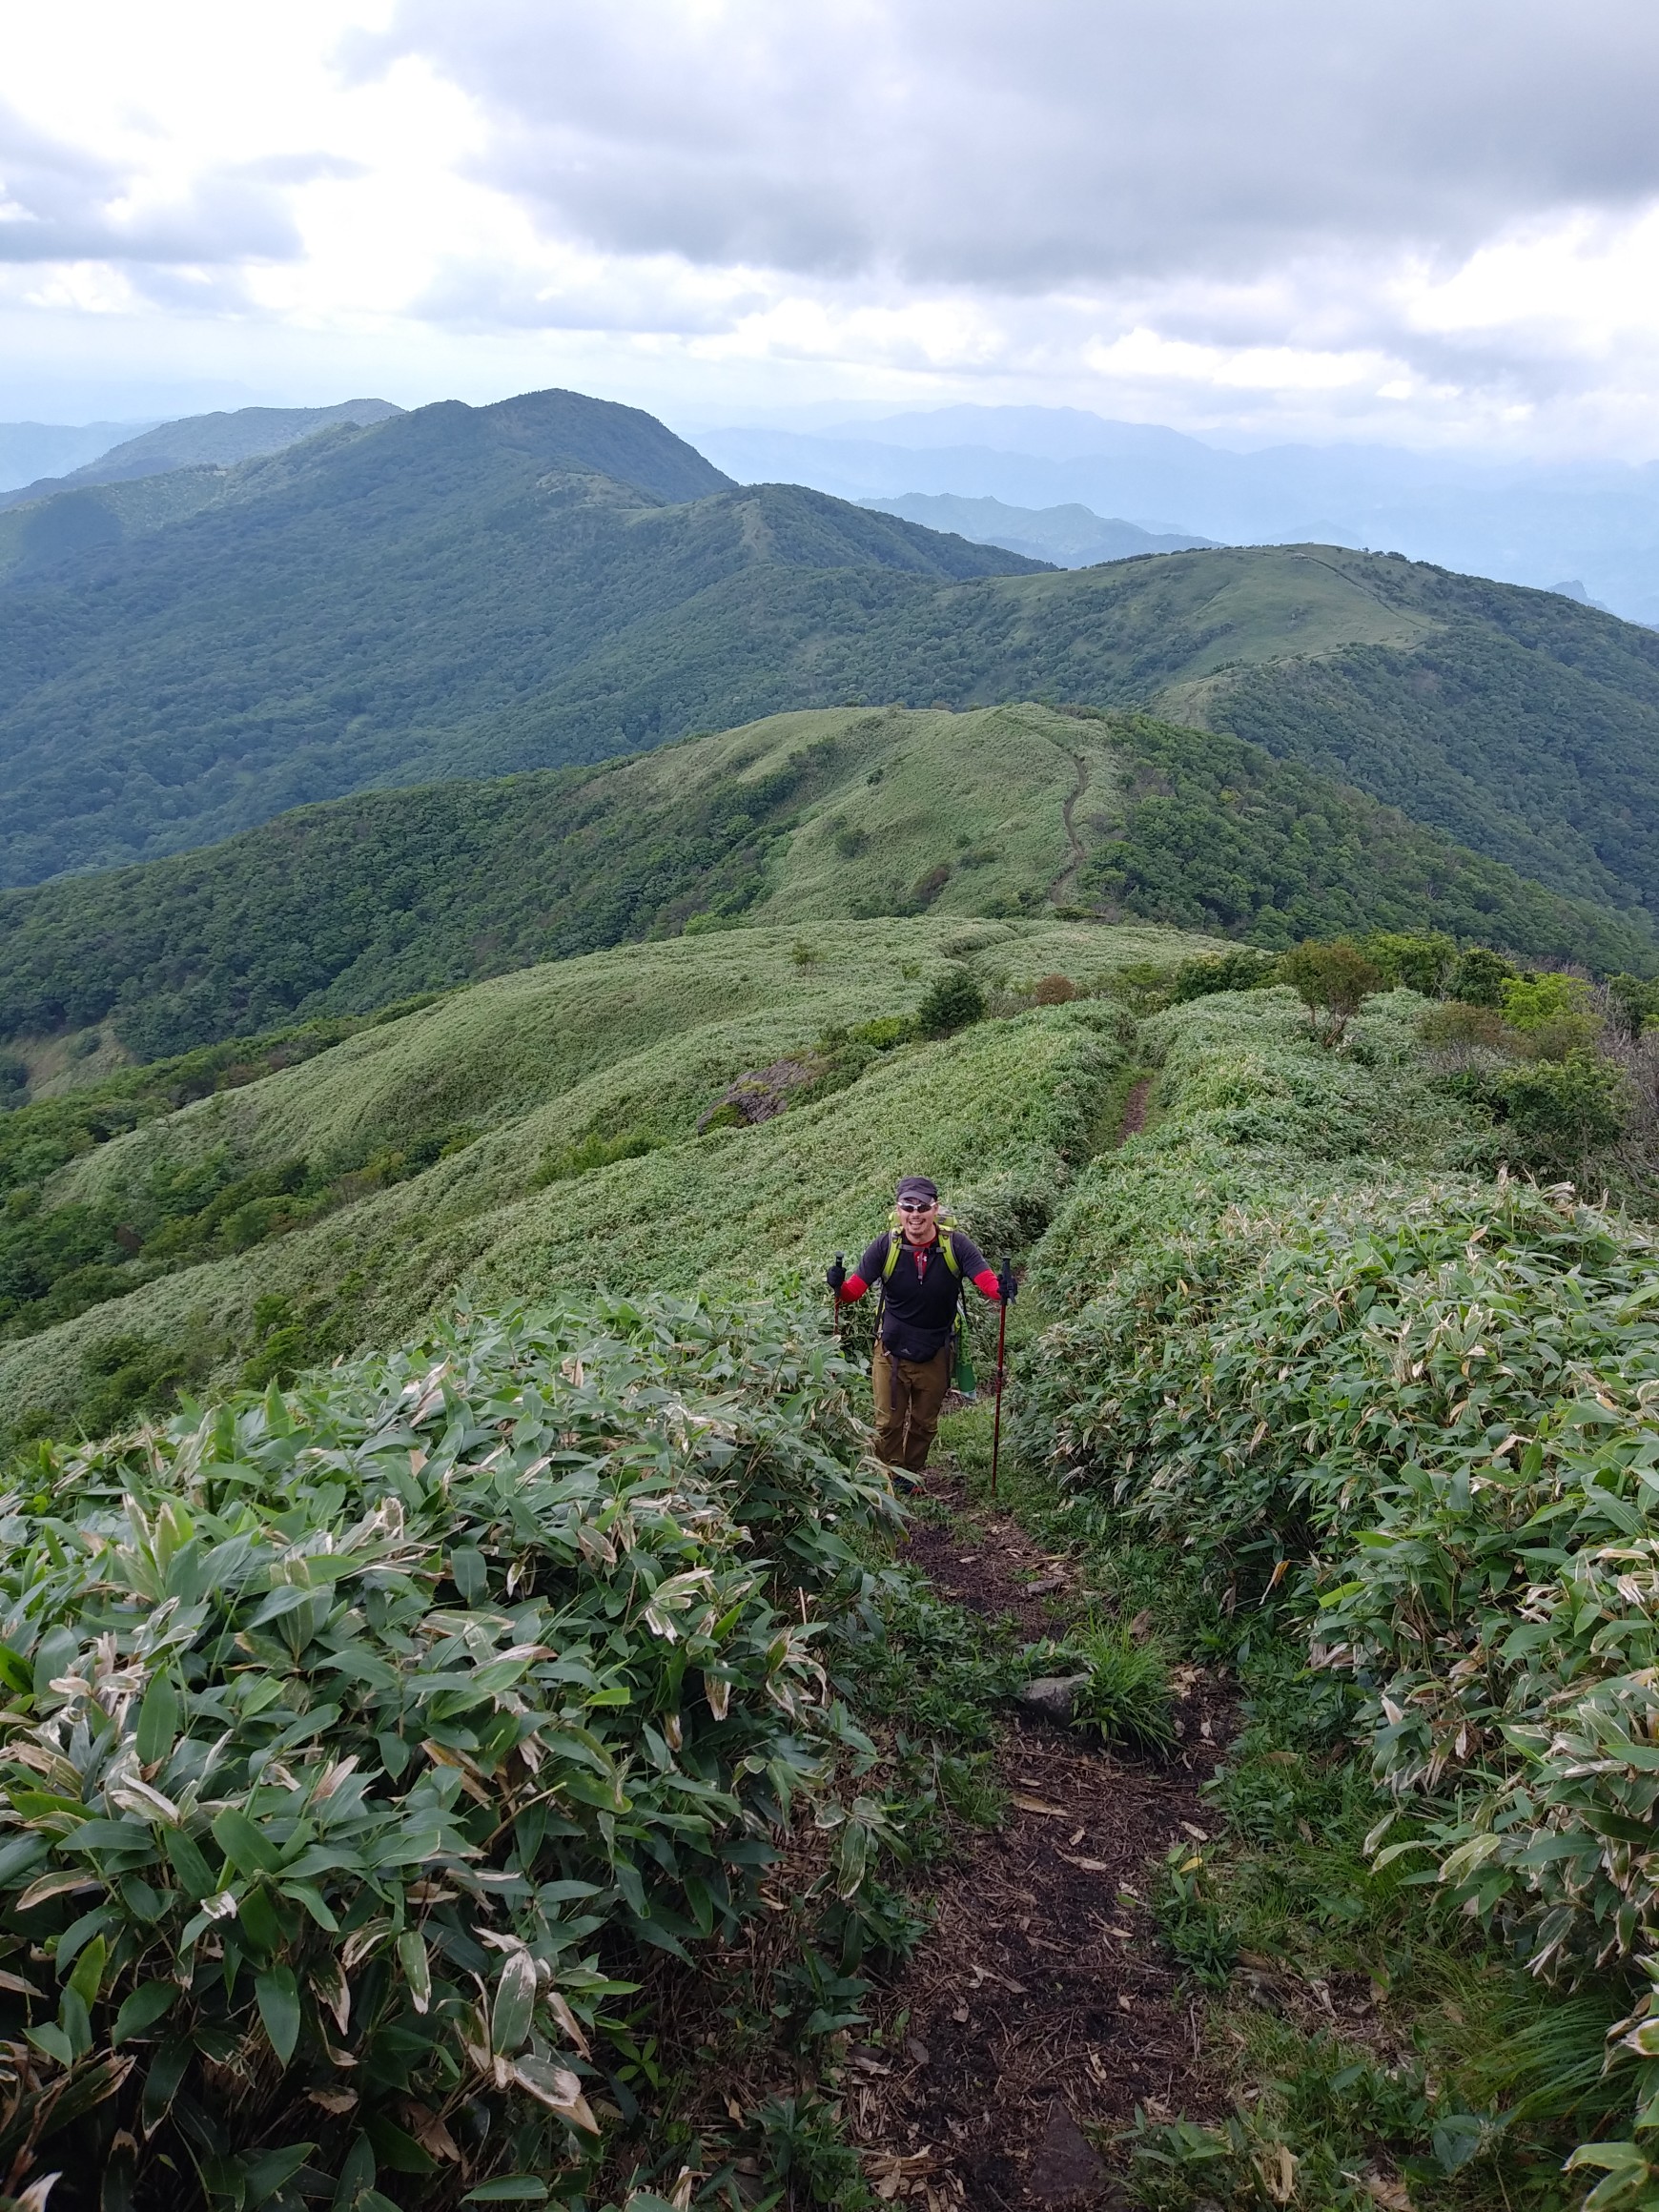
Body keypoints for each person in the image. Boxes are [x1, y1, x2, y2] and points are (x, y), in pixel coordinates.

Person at [827, 1176, 1014, 1480]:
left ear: (935, 1209)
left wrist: (1001, 1289)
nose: (915, 1214)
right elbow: (852, 1293)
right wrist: (837, 1285)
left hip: (935, 1349)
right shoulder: (884, 1246)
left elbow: (987, 1282)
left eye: (923, 1207)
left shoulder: (956, 1245)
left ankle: (911, 1475)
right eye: (908, 1206)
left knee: (924, 1424)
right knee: (887, 1423)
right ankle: (891, 1475)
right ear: (898, 1210)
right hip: (890, 1349)